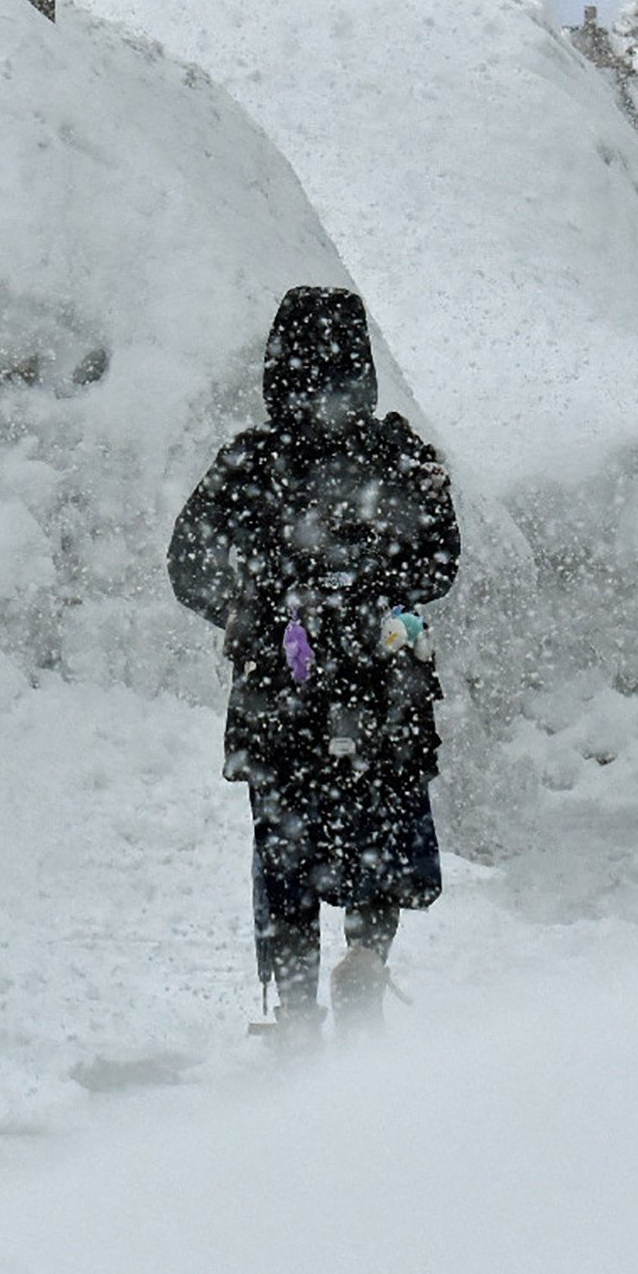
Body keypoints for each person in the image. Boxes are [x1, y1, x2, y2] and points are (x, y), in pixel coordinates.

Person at [170, 288, 460, 1042]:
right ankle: (366, 954)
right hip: (379, 687)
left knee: (286, 846)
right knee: (382, 828)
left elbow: (187, 562)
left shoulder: (251, 462)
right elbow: (439, 563)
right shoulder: (399, 454)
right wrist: (373, 582)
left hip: (280, 692)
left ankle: (296, 1005)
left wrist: (248, 604)